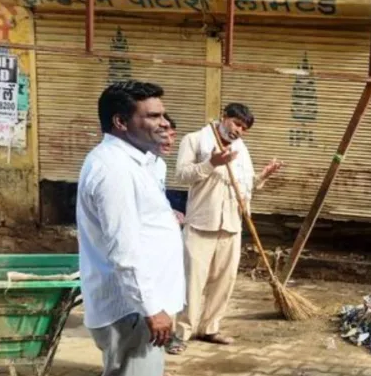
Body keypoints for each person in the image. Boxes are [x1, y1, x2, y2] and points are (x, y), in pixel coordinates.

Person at [76, 80, 184, 376]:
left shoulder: (136, 162)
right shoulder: (114, 170)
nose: (163, 124)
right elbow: (124, 250)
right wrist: (151, 308)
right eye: (152, 116)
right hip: (132, 310)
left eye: (163, 115)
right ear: (120, 122)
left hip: (138, 305)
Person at [169, 103, 282, 354]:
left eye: (244, 128)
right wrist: (211, 163)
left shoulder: (241, 148)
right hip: (201, 223)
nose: (239, 130)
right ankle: (181, 333)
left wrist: (263, 176)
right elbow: (182, 175)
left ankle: (210, 328)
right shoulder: (195, 140)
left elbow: (247, 185)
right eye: (236, 123)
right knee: (192, 282)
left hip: (231, 224)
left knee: (224, 281)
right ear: (224, 117)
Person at [153, 114, 185, 225]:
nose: (169, 142)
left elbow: (158, 197)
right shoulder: (135, 164)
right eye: (164, 136)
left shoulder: (161, 165)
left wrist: (171, 211)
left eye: (172, 136)